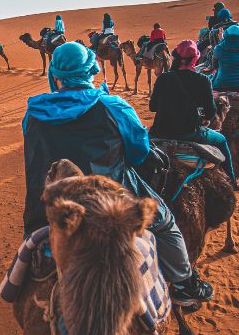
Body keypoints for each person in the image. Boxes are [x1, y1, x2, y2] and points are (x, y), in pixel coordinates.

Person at [22, 41, 213, 306]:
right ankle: (184, 285)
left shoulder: (32, 113)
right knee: (166, 223)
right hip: (111, 204)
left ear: (54, 74)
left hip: (46, 207)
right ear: (92, 70)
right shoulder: (114, 107)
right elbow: (138, 154)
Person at [149, 40, 236, 184]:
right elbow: (210, 113)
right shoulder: (203, 80)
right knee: (221, 140)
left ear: (175, 57)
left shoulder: (163, 78)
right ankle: (232, 181)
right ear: (196, 58)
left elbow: (152, 107)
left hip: (160, 132)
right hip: (190, 133)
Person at [211, 23, 239, 91]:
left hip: (222, 85)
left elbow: (214, 66)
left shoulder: (219, 48)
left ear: (226, 34)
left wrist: (221, 41)